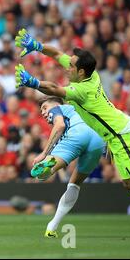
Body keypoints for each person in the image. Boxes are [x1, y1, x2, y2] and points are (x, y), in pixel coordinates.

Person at [14, 28, 130, 204]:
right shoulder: (89, 75)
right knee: (129, 183)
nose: (67, 67)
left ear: (81, 71)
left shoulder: (83, 90)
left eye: (71, 66)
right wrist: (37, 46)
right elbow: (57, 53)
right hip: (116, 137)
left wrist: (33, 82)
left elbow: (54, 89)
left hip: (122, 136)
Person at [32, 97, 105, 238]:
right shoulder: (78, 109)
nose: (43, 112)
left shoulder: (58, 108)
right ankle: (51, 227)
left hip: (76, 134)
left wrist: (44, 153)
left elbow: (59, 126)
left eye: (45, 107)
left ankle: (48, 167)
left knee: (39, 172)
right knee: (74, 184)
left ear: (56, 104)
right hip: (97, 139)